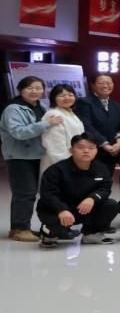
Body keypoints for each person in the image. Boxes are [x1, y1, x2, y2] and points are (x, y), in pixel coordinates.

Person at [36, 134, 120, 248]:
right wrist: (61, 209)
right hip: (59, 210)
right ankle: (48, 233)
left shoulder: (101, 168)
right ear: (71, 150)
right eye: (80, 147)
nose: (86, 151)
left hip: (84, 208)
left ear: (96, 150)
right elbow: (48, 194)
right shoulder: (56, 170)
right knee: (57, 226)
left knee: (111, 205)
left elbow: (105, 188)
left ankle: (91, 234)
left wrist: (92, 198)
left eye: (91, 148)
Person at [2, 76, 58, 242]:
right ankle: (20, 229)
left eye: (38, 88)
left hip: (37, 155)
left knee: (31, 192)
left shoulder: (42, 106)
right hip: (19, 156)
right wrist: (46, 124)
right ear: (21, 90)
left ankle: (20, 227)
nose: (35, 91)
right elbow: (18, 132)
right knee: (24, 193)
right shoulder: (13, 109)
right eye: (30, 88)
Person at [76, 73, 120, 174]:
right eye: (101, 83)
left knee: (108, 180)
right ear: (93, 85)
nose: (106, 86)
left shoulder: (116, 105)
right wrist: (104, 143)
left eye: (109, 83)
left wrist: (119, 142)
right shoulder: (84, 102)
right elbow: (87, 126)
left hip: (113, 152)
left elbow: (119, 126)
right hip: (93, 151)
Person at [40, 85, 85, 173]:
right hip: (59, 164)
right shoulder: (54, 114)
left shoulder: (69, 112)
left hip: (74, 160)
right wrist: (66, 167)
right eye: (62, 96)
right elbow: (55, 146)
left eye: (70, 95)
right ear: (53, 98)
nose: (67, 98)